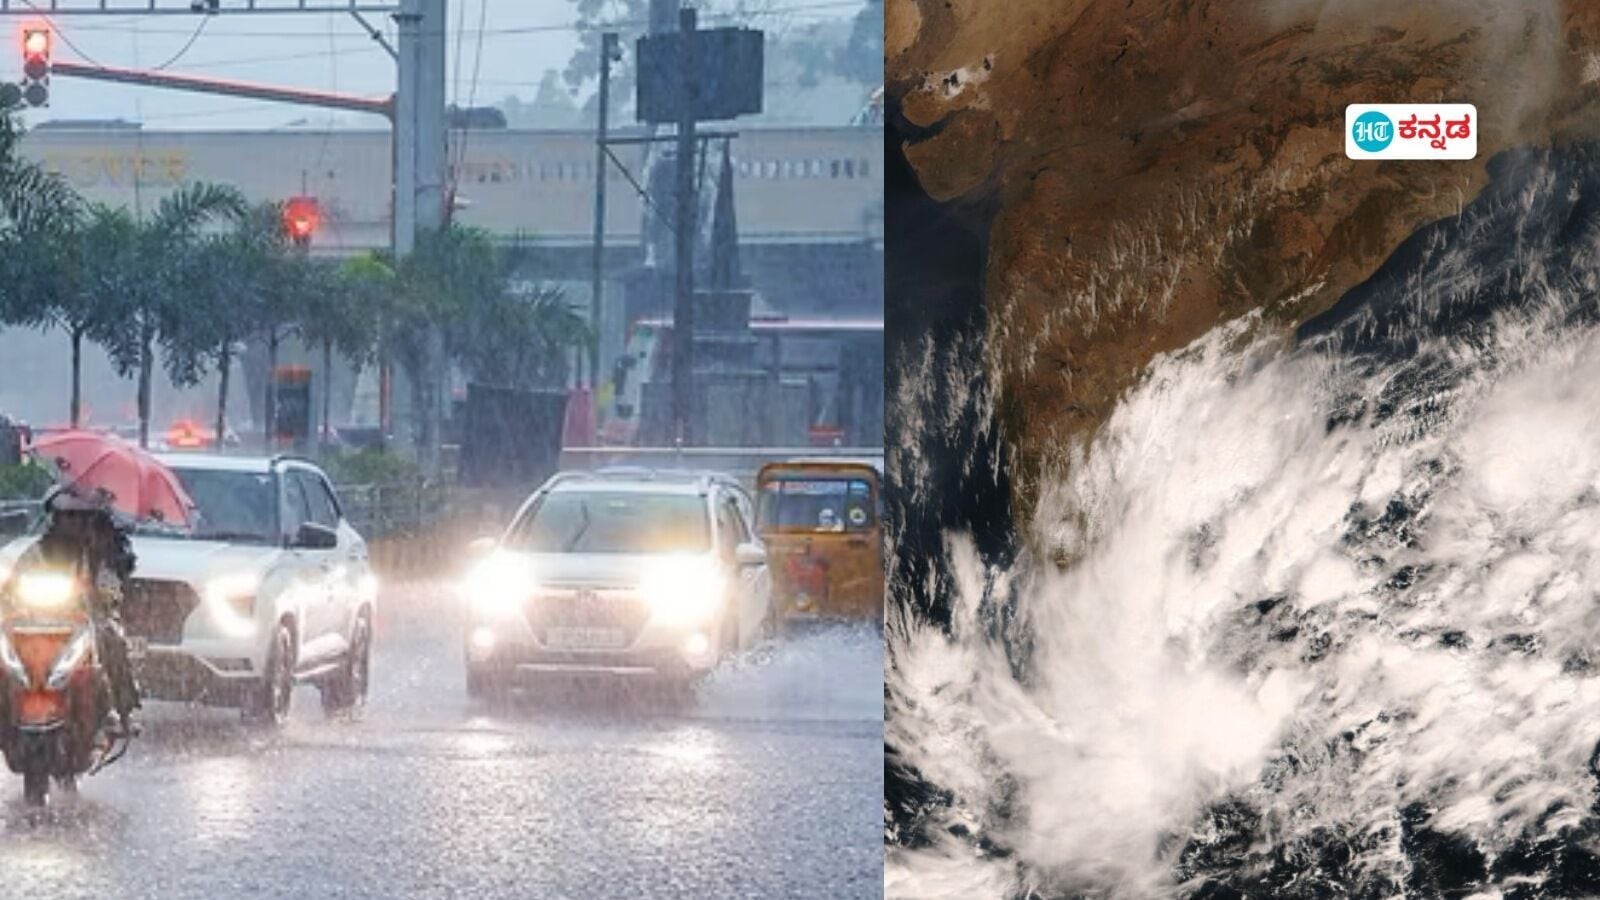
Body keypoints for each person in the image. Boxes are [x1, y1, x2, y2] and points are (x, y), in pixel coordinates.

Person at [32, 486, 141, 736]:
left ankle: (120, 709)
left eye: (79, 517)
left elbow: (113, 584)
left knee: (110, 637)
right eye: (65, 516)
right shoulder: (39, 551)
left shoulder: (104, 553)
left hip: (89, 619)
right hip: (37, 621)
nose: (71, 523)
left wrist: (103, 593)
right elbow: (15, 583)